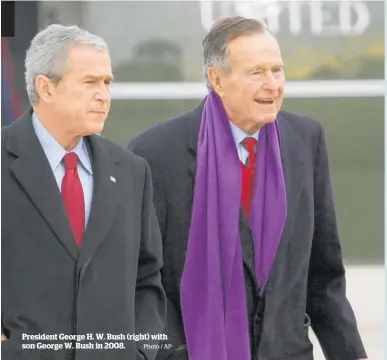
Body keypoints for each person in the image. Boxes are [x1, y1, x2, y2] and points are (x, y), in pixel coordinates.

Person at [128, 16, 367, 360]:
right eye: (257, 73)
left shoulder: (305, 141)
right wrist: (171, 351)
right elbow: (141, 279)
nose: (272, 85)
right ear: (217, 79)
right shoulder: (154, 153)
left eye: (277, 70)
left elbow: (323, 274)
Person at [2, 24, 166, 360]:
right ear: (45, 88)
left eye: (107, 83)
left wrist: (141, 351)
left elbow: (147, 278)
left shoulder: (132, 171)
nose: (104, 95)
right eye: (90, 82)